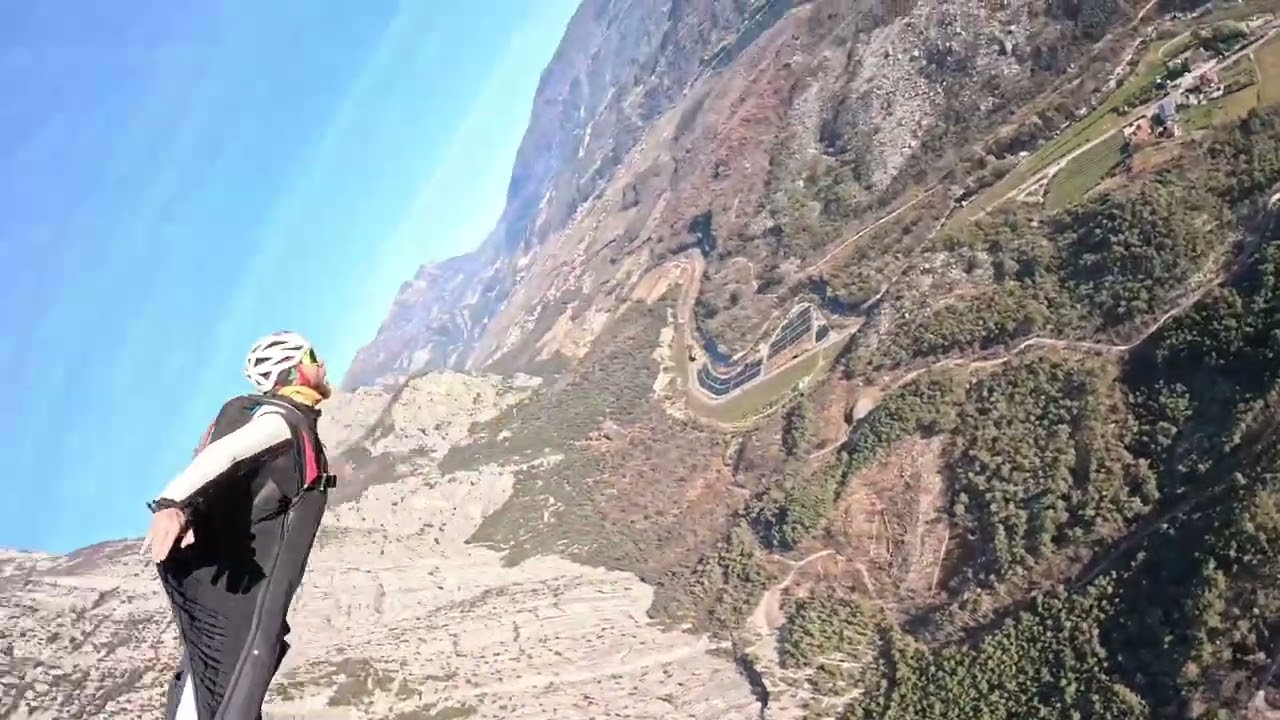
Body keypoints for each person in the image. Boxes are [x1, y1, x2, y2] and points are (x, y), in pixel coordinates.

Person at [142, 330, 338, 720]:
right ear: (297, 370)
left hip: (252, 610)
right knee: (226, 689)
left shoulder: (295, 425)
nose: (323, 364)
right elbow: (226, 453)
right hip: (239, 616)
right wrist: (173, 503)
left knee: (234, 686)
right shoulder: (281, 421)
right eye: (313, 356)